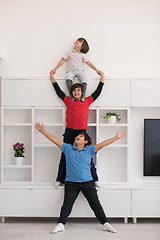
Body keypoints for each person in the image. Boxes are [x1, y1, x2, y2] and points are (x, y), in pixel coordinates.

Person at [35, 122, 126, 234]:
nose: (77, 137)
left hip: (88, 183)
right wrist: (43, 131)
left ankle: (105, 224)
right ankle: (61, 224)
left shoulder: (89, 150)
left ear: (85, 141)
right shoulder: (68, 148)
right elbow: (55, 140)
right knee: (67, 204)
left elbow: (103, 144)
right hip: (71, 183)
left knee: (95, 204)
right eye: (77, 136)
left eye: (81, 136)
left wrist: (116, 138)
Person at [50, 70, 104, 188]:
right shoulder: (68, 101)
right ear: (71, 92)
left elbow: (97, 92)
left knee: (87, 157)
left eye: (78, 90)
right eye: (74, 90)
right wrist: (53, 79)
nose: (76, 92)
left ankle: (95, 179)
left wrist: (102, 79)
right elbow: (59, 92)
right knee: (64, 156)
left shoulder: (87, 101)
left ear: (82, 92)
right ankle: (60, 180)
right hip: (69, 131)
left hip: (82, 132)